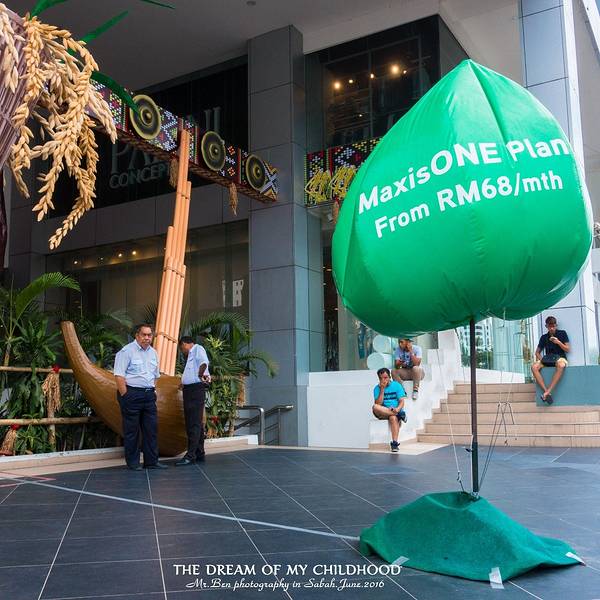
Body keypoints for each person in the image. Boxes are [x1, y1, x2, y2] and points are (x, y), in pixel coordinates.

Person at [114, 323, 167, 471]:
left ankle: (151, 462)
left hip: (148, 395)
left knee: (151, 429)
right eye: (144, 335)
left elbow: (156, 375)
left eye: (149, 335)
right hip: (132, 394)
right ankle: (133, 463)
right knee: (132, 431)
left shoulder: (154, 353)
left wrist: (152, 390)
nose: (147, 338)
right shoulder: (126, 351)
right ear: (137, 336)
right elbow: (119, 376)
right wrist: (125, 395)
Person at [176, 336, 211, 466]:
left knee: (193, 423)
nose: (182, 351)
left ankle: (190, 455)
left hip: (195, 390)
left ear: (185, 344)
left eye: (181, 348)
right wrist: (184, 383)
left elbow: (204, 363)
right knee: (196, 423)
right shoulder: (191, 355)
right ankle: (199, 453)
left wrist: (200, 375)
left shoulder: (197, 349)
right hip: (190, 389)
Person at [531, 315, 570, 405]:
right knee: (534, 367)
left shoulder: (562, 333)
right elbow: (537, 353)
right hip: (548, 359)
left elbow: (568, 349)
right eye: (549, 326)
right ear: (546, 326)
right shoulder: (544, 337)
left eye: (553, 326)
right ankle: (547, 392)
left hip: (560, 358)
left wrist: (558, 342)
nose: (552, 328)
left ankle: (548, 391)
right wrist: (543, 360)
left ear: (556, 325)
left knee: (561, 365)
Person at [372, 367, 407, 453]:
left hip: (395, 410)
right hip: (382, 412)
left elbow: (402, 401)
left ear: (390, 377)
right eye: (381, 378)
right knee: (375, 407)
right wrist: (382, 389)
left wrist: (397, 409)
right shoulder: (377, 388)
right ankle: (399, 415)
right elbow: (378, 404)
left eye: (385, 377)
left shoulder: (396, 385)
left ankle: (394, 444)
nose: (383, 380)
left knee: (393, 418)